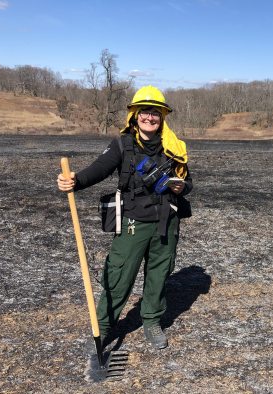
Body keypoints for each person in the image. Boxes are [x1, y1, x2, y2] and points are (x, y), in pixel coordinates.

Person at [57, 85, 192, 350]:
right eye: (145, 112)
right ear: (134, 115)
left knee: (159, 274)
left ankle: (152, 321)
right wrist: (76, 180)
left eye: (155, 113)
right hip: (132, 222)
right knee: (118, 275)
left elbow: (189, 183)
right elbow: (99, 169)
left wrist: (181, 187)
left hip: (167, 221)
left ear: (162, 116)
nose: (149, 118)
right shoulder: (122, 144)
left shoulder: (174, 147)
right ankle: (104, 326)